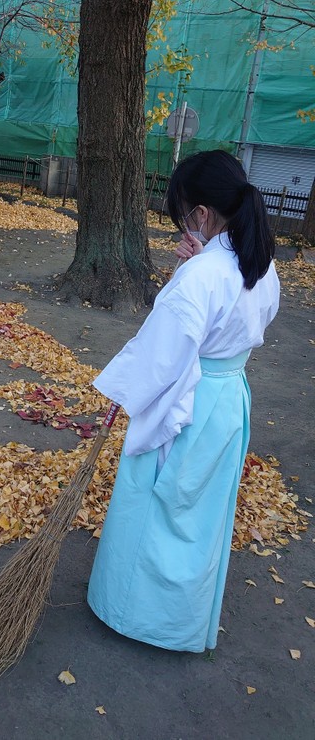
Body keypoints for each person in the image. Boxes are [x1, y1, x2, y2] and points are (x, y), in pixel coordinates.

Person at [87, 150, 280, 653]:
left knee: (155, 501)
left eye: (183, 214)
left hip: (188, 400)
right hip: (227, 401)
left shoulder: (202, 277)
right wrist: (197, 265)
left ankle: (136, 614)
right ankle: (181, 619)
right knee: (198, 512)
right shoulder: (259, 266)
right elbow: (233, 319)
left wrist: (124, 392)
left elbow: (163, 354)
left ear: (200, 214)